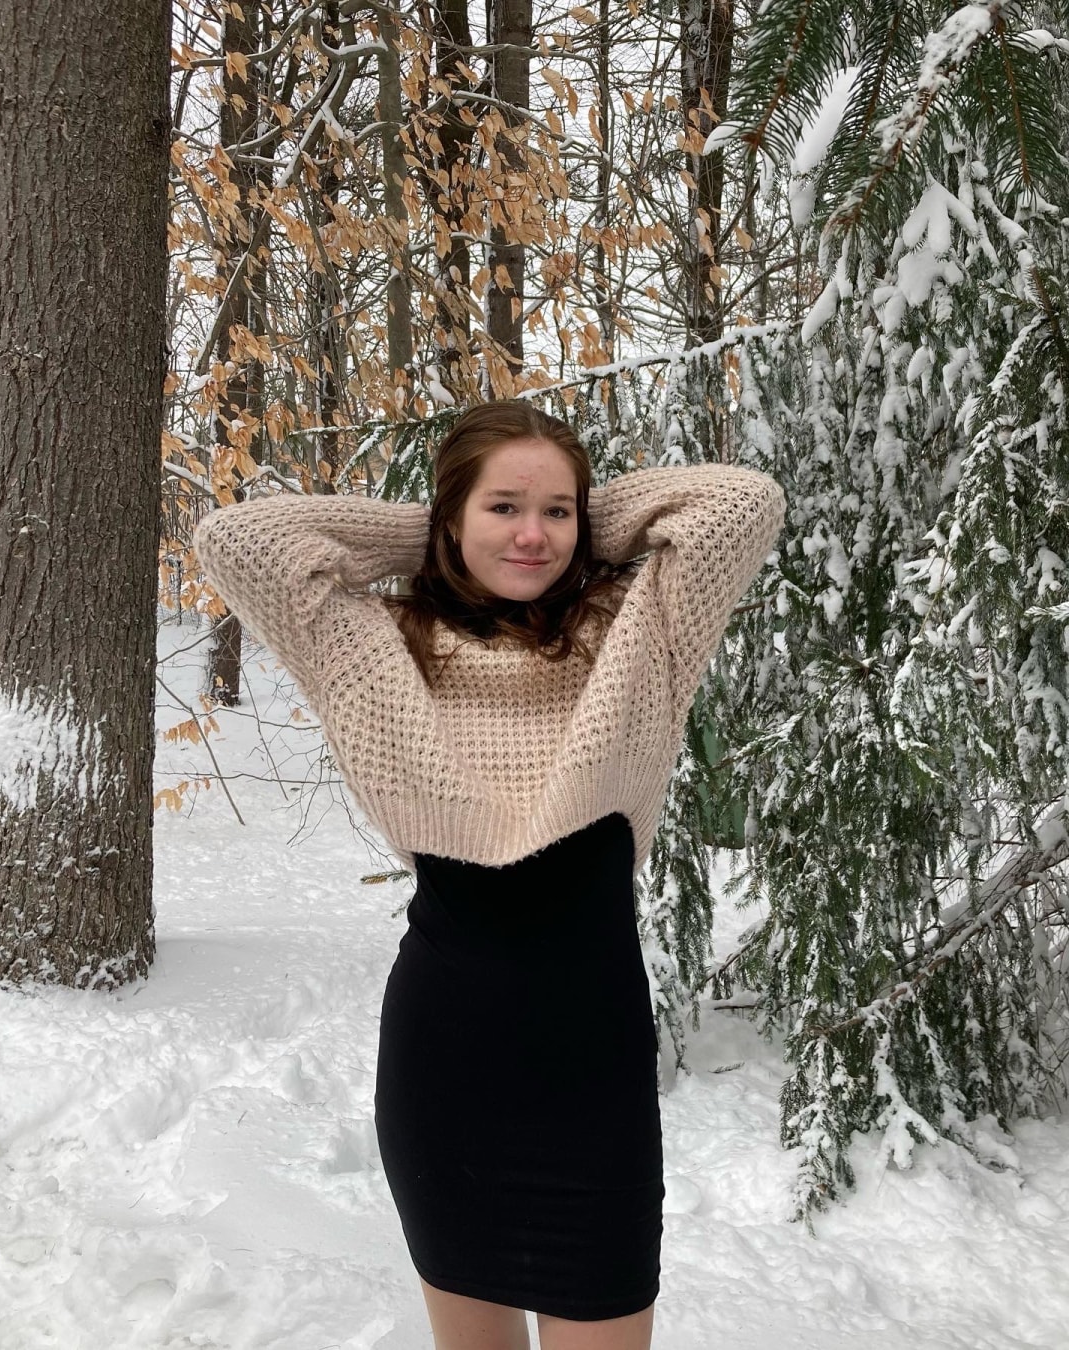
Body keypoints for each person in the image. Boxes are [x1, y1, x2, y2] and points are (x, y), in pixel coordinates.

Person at [192, 401, 785, 1350]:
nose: (532, 534)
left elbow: (740, 504)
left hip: (593, 1076)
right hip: (446, 1072)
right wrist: (435, 529)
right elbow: (240, 539)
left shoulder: (640, 632)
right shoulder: (374, 644)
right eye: (503, 506)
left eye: (557, 511)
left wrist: (560, 518)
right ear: (451, 516)